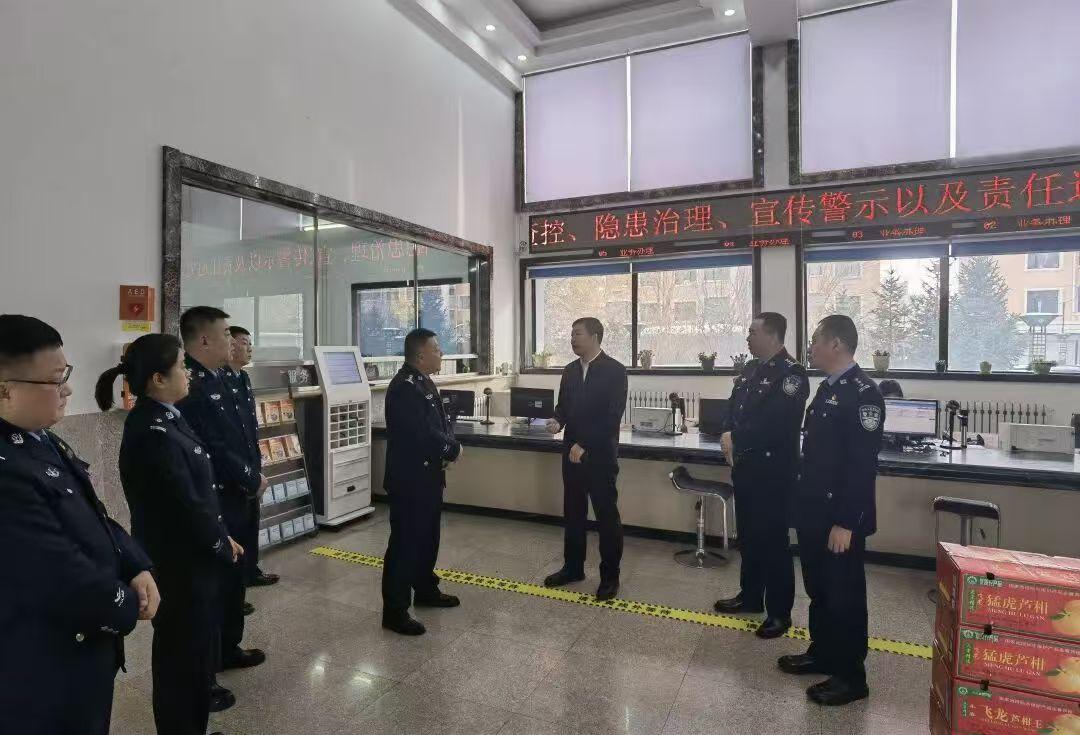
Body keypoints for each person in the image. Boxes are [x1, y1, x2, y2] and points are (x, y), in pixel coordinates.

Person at [0, 314, 158, 735]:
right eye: (55, 380)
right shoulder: (6, 468)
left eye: (65, 375)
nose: (68, 389)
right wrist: (126, 605)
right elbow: (56, 572)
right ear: (4, 389)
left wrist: (136, 565)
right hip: (43, 665)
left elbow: (93, 514)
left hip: (82, 649)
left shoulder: (40, 437)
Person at [97, 334, 240, 735]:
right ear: (158, 379)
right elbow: (185, 504)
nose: (188, 373)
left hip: (192, 558)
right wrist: (218, 542)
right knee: (181, 660)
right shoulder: (151, 430)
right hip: (179, 564)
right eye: (181, 366)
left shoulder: (168, 416)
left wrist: (220, 536)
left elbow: (197, 495)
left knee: (196, 657)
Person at [778, 315, 885, 707]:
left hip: (839, 518)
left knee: (844, 595)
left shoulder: (864, 395)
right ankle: (822, 652)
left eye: (816, 341)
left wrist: (846, 521)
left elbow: (861, 466)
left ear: (836, 344)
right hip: (813, 511)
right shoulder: (827, 389)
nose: (811, 348)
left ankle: (851, 676)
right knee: (819, 589)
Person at [176, 307, 267, 695]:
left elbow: (241, 435)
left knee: (234, 579)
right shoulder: (191, 384)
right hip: (218, 497)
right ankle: (207, 670)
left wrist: (252, 476)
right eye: (227, 334)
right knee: (213, 587)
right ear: (204, 340)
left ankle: (228, 647)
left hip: (239, 492)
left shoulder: (223, 379)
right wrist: (249, 477)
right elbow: (213, 445)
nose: (233, 341)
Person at [715, 313, 808, 640]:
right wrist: (726, 432)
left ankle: (779, 613)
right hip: (747, 469)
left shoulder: (793, 374)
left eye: (752, 333)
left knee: (773, 543)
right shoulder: (751, 369)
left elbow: (777, 423)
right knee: (750, 537)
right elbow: (733, 407)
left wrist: (737, 437)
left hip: (773, 474)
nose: (747, 338)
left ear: (772, 335)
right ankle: (751, 596)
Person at [381, 328, 462, 636]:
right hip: (410, 480)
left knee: (428, 538)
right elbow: (421, 434)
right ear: (420, 355)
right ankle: (395, 611)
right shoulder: (405, 387)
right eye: (437, 349)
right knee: (405, 543)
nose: (441, 353)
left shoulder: (423, 381)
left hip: (428, 476)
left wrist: (446, 450)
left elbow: (439, 424)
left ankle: (426, 589)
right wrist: (452, 450)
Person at [543, 317, 628, 601]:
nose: (572, 339)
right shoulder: (569, 370)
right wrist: (557, 421)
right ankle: (573, 568)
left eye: (577, 334)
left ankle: (610, 577)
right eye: (571, 334)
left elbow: (611, 416)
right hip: (572, 455)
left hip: (600, 455)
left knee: (606, 517)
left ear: (595, 336)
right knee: (573, 513)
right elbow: (564, 407)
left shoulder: (615, 371)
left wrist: (584, 443)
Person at [222, 326, 278, 589]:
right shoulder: (220, 379)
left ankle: (250, 571)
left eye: (249, 342)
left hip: (250, 460)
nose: (249, 348)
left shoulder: (243, 377)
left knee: (251, 522)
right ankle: (235, 584)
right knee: (234, 526)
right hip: (233, 466)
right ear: (231, 345)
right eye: (244, 342)